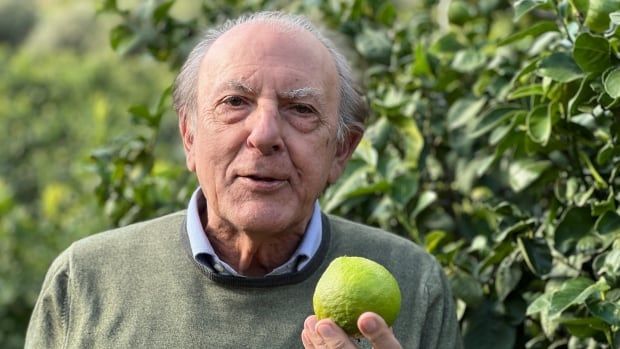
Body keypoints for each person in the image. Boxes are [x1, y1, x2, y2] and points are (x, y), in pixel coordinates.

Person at [25, 11, 462, 349]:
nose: (265, 135)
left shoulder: (412, 282)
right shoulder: (84, 281)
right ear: (189, 136)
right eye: (235, 102)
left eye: (301, 110)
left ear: (341, 151)